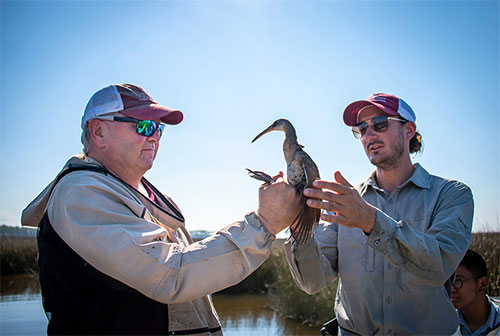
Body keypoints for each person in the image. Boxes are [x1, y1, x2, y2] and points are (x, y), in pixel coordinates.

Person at [21, 83, 301, 335]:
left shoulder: (151, 198)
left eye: (159, 128)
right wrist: (263, 224)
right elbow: (170, 275)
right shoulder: (81, 194)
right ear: (98, 131)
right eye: (143, 126)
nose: (154, 136)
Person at [284, 93, 474, 335]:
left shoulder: (452, 195)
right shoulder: (344, 202)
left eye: (380, 124)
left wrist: (370, 221)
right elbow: (312, 282)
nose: (369, 135)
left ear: (409, 130)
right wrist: (298, 222)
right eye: (361, 129)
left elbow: (438, 266)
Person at [452, 249, 500, 335]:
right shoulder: (442, 325)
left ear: (482, 284)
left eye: (457, 281)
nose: (451, 289)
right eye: (447, 282)